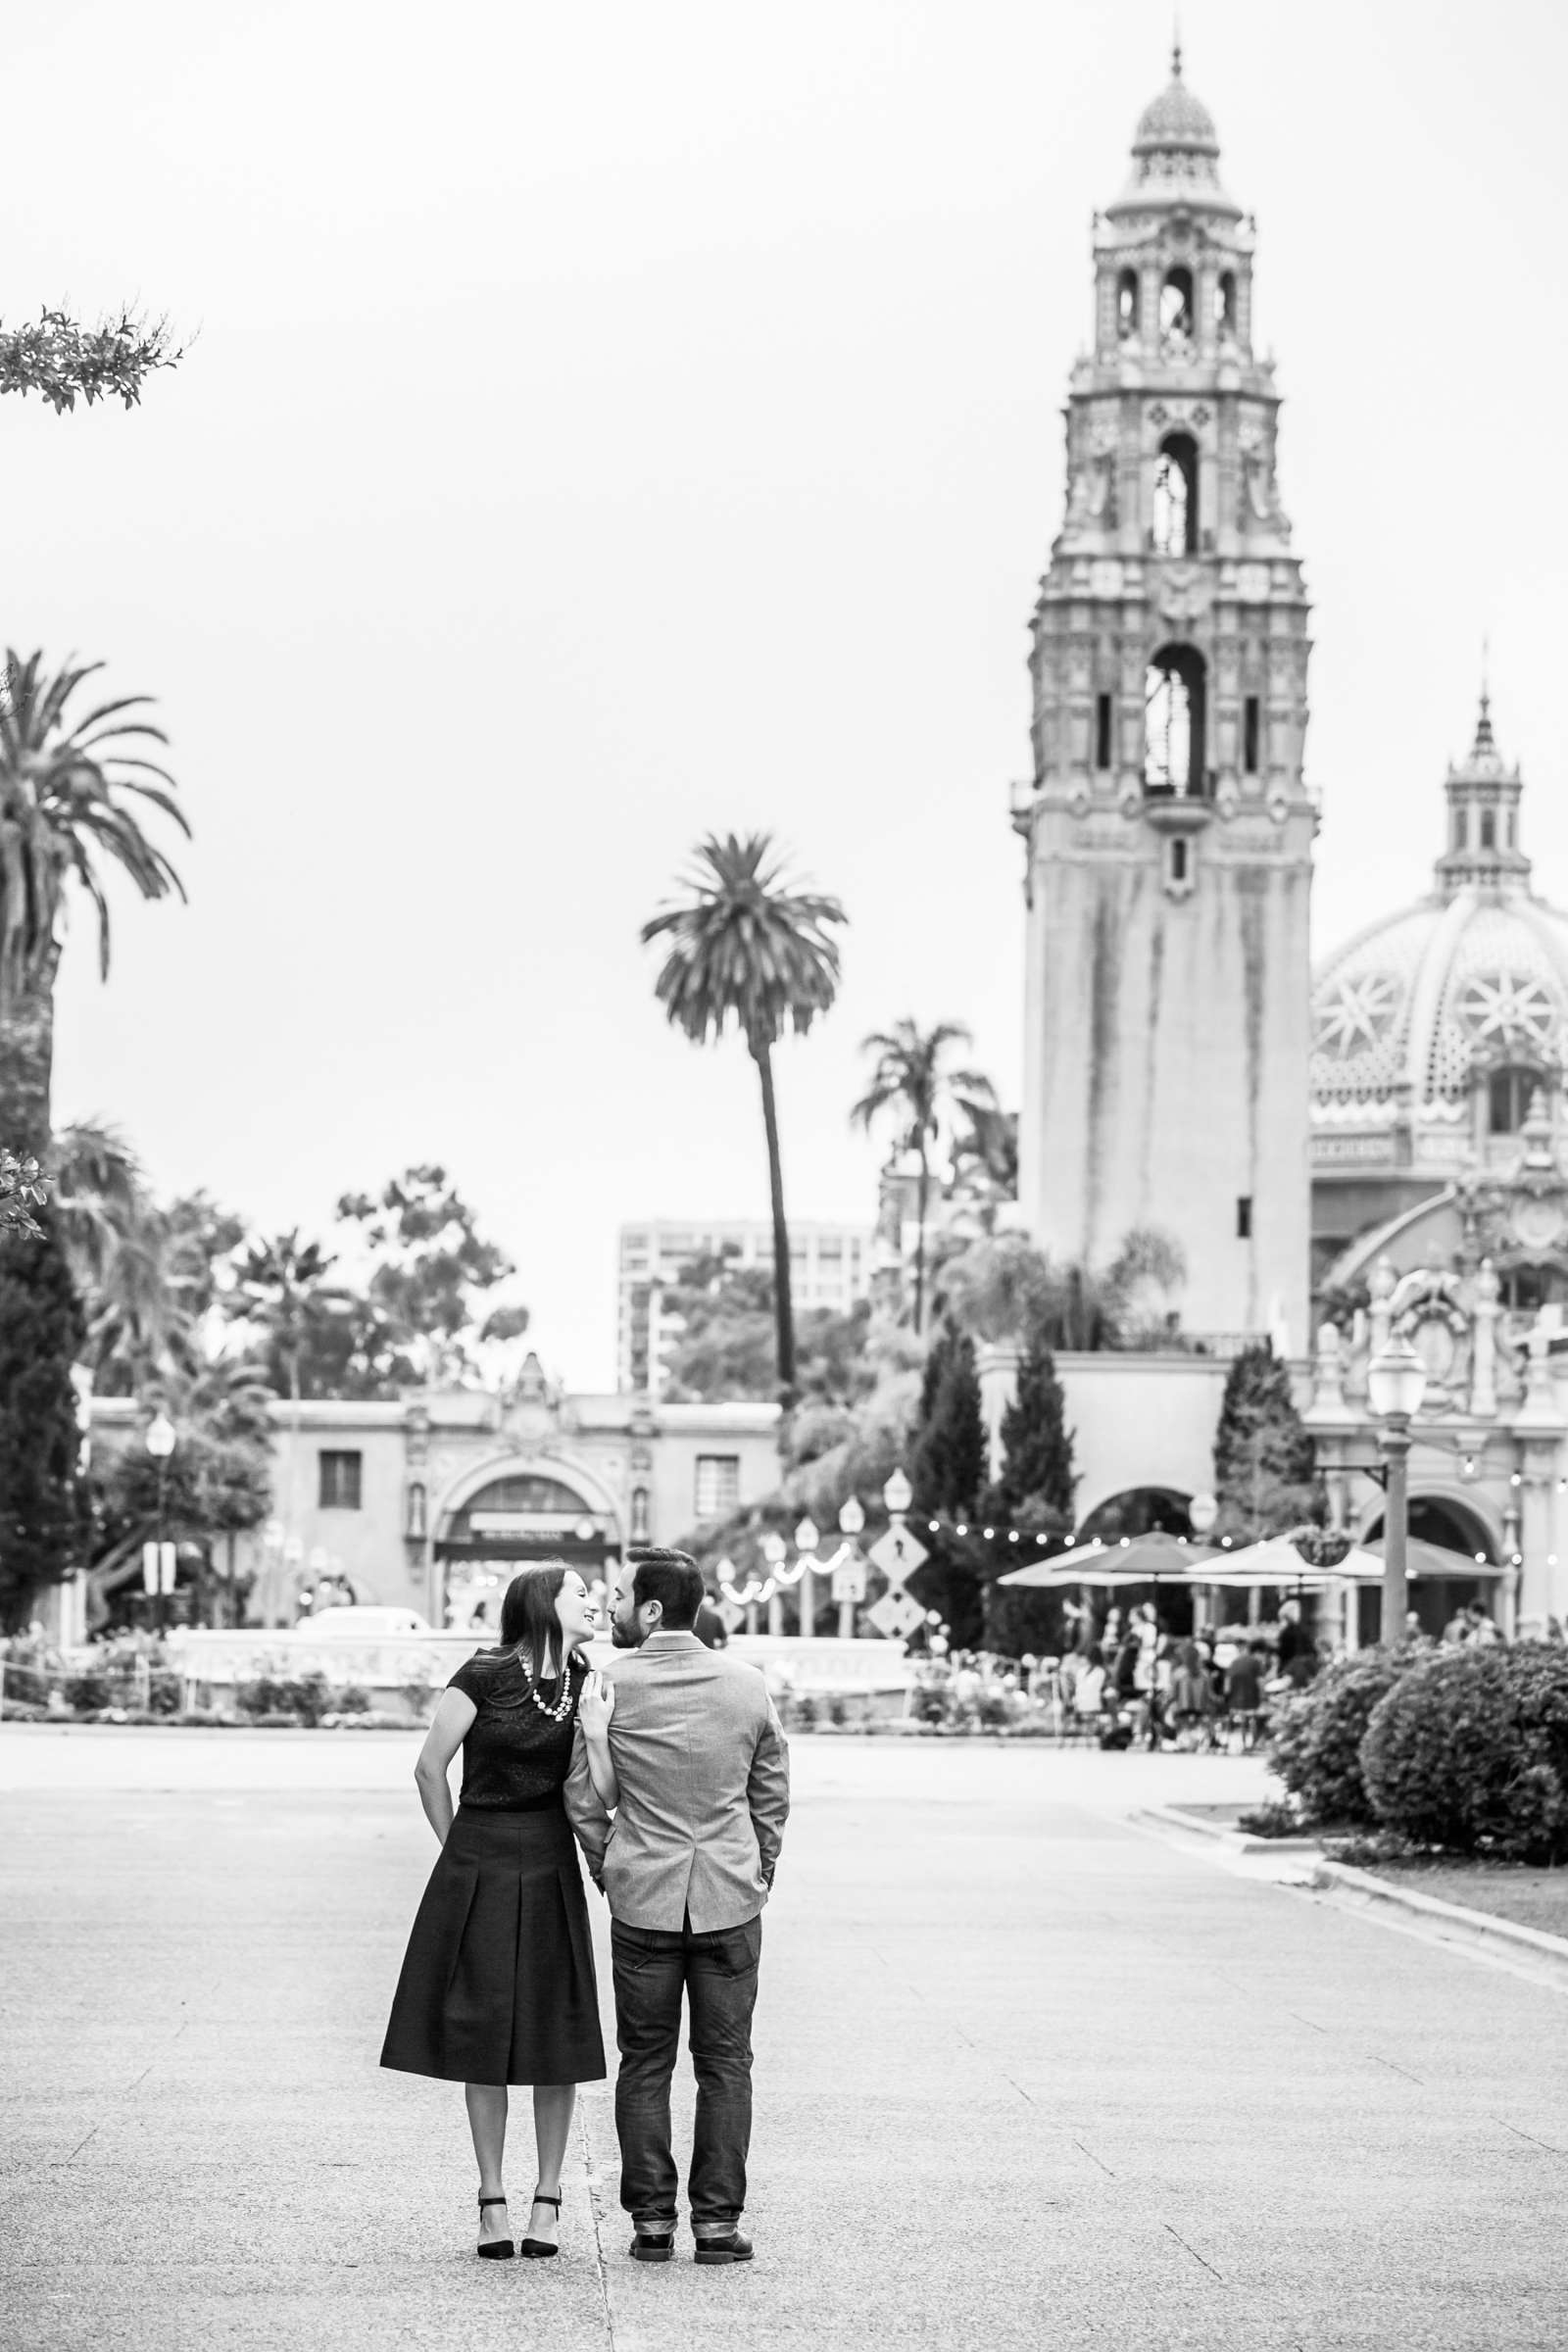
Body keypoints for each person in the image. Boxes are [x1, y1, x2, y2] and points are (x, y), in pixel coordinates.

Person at [380, 1565, 616, 2262]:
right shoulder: (482, 1673)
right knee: (481, 2025)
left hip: (549, 1854)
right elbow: (430, 1768)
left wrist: (599, 1735)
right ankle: (490, 2198)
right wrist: (458, 1850)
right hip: (479, 1850)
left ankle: (548, 2198)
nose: (594, 1600)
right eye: (581, 1592)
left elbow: (601, 1792)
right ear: (544, 1602)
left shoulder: (587, 1679)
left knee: (555, 2028)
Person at [566, 1546, 790, 2269]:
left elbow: (580, 1795)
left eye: (624, 1597)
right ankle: (719, 2229)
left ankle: (653, 2224)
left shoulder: (610, 1683)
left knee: (646, 2062)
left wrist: (610, 1867)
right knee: (727, 2063)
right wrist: (759, 1866)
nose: (614, 1609)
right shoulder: (747, 1685)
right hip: (730, 1900)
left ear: (654, 1609)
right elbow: (771, 1789)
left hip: (644, 1901)